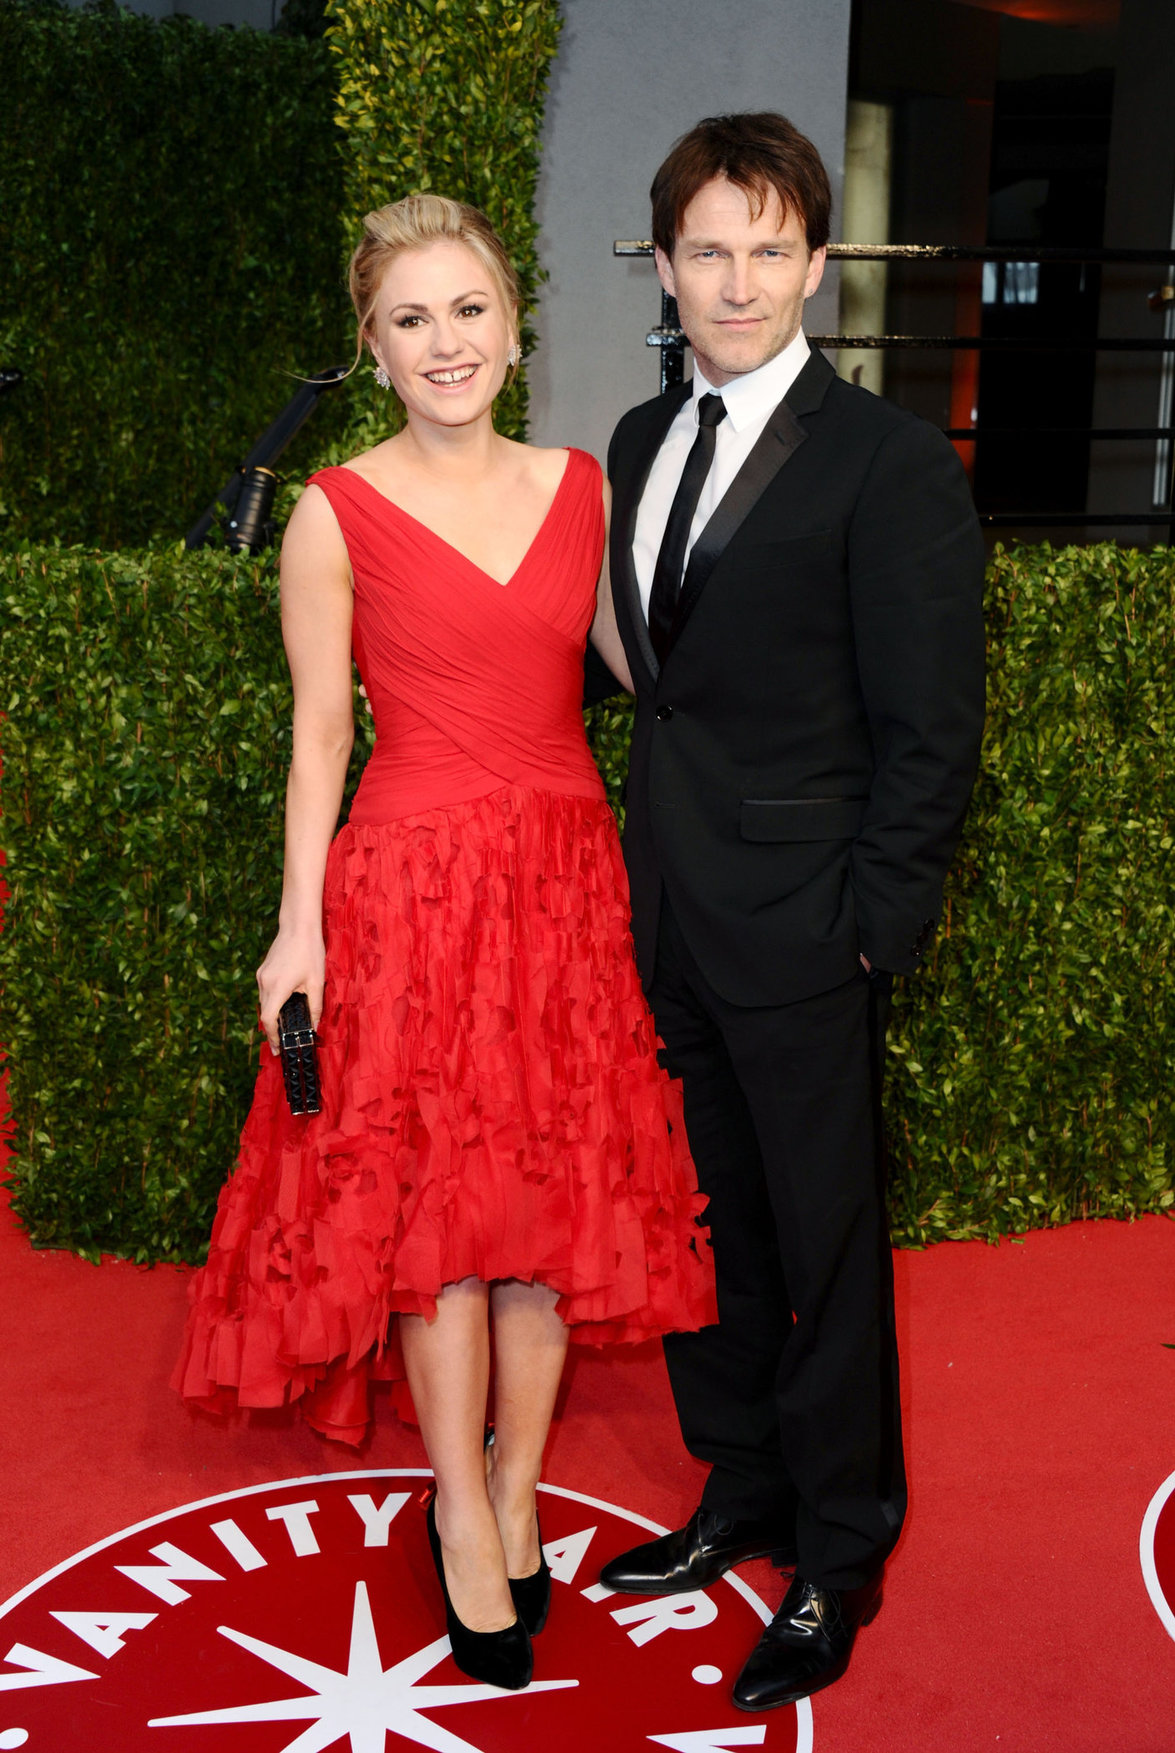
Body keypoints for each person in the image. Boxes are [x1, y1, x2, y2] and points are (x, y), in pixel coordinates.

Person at [173, 193, 716, 1693]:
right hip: (409, 900)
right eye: (411, 319)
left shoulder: (584, 488)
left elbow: (645, 671)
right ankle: (460, 1508)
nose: (446, 341)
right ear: (373, 344)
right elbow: (318, 735)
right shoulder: (333, 513)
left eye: (467, 308)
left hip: (561, 889)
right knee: (443, 1246)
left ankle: (522, 1479)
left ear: (513, 318)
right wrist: (299, 939)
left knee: (547, 1233)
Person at [592, 113, 986, 1711]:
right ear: (668, 263)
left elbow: (930, 729)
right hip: (669, 915)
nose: (738, 280)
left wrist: (875, 926)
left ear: (816, 265)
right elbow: (650, 680)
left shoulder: (886, 462)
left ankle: (837, 1547)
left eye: (770, 249)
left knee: (824, 1247)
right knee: (711, 1235)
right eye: (709, 248)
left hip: (811, 927)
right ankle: (739, 1484)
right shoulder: (633, 439)